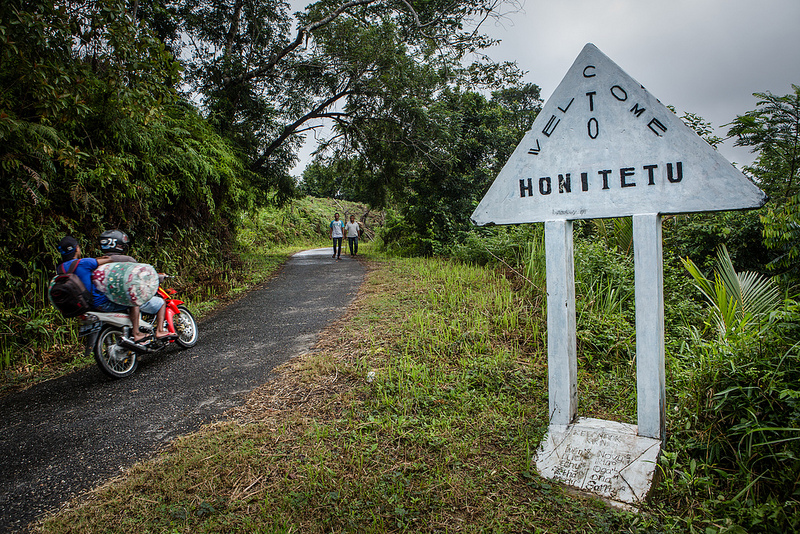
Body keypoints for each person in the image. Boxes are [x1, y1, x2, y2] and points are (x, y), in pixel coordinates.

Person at [56, 236, 148, 344]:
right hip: (98, 303)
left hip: (82, 305)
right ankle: (137, 333)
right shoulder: (84, 263)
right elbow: (109, 260)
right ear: (77, 249)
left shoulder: (60, 268)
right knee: (133, 302)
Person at [98, 229, 173, 342]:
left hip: (109, 300)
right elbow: (141, 275)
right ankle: (159, 330)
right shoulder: (128, 260)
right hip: (125, 299)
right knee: (160, 303)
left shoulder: (98, 262)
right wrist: (158, 277)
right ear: (119, 245)